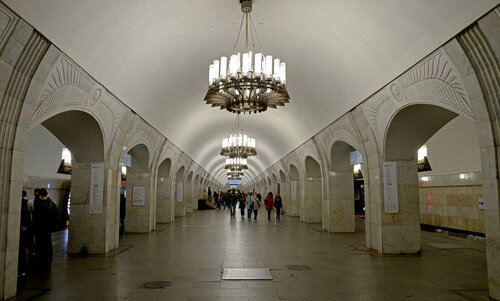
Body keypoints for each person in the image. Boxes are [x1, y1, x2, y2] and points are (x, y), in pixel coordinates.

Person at [32, 188, 58, 273]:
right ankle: (48, 264)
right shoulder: (52, 204)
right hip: (48, 229)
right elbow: (56, 216)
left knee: (39, 246)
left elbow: (35, 217)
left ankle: (40, 264)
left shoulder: (37, 204)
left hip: (39, 229)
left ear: (39, 194)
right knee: (48, 246)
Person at [18, 190, 33, 276]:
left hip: (18, 228)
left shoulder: (16, 202)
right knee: (22, 249)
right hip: (25, 228)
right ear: (26, 195)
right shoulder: (28, 202)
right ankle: (23, 269)